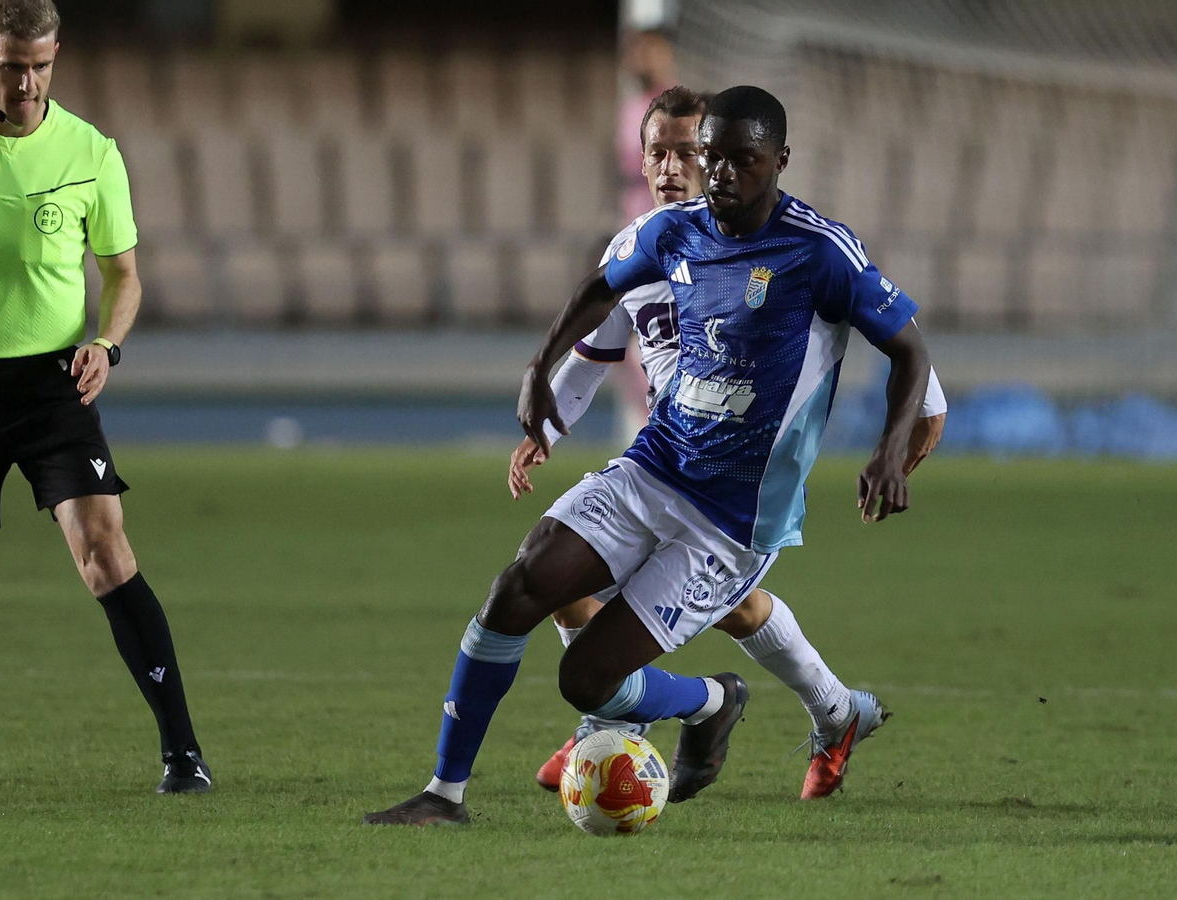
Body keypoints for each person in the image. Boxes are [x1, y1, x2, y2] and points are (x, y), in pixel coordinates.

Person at [364, 85, 932, 826]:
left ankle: (715, 700)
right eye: (712, 158)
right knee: (518, 585)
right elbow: (600, 288)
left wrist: (892, 450)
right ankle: (445, 795)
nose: (721, 174)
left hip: (731, 520)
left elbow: (912, 352)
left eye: (742, 160)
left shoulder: (820, 252)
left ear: (781, 161)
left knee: (587, 678)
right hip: (655, 466)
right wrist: (540, 365)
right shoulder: (673, 231)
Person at [511, 86, 947, 800]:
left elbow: (905, 350)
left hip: (742, 491)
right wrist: (547, 428)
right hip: (665, 463)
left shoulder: (798, 250)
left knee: (664, 602)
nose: (681, 168)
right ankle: (812, 715)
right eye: (663, 152)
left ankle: (620, 721)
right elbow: (594, 353)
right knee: (586, 583)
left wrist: (906, 435)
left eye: (691, 151)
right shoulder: (645, 247)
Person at [0, 0, 210, 794]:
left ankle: (182, 751)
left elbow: (124, 276)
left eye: (42, 66)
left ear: (55, 59)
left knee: (105, 551)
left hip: (53, 382)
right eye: (12, 65)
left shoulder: (91, 152)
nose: (27, 83)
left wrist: (106, 344)